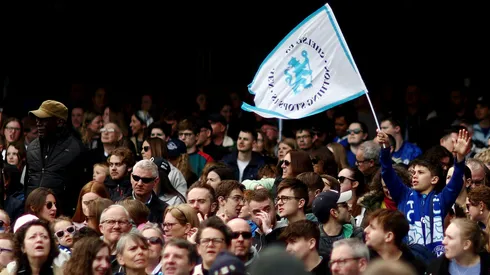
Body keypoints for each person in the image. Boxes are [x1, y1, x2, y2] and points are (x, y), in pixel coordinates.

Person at [26, 100, 89, 216]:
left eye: (44, 119)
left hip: (62, 216)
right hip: (32, 213)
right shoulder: (31, 148)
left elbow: (82, 188)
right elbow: (27, 182)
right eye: (37, 119)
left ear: (59, 122)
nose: (38, 123)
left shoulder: (76, 149)